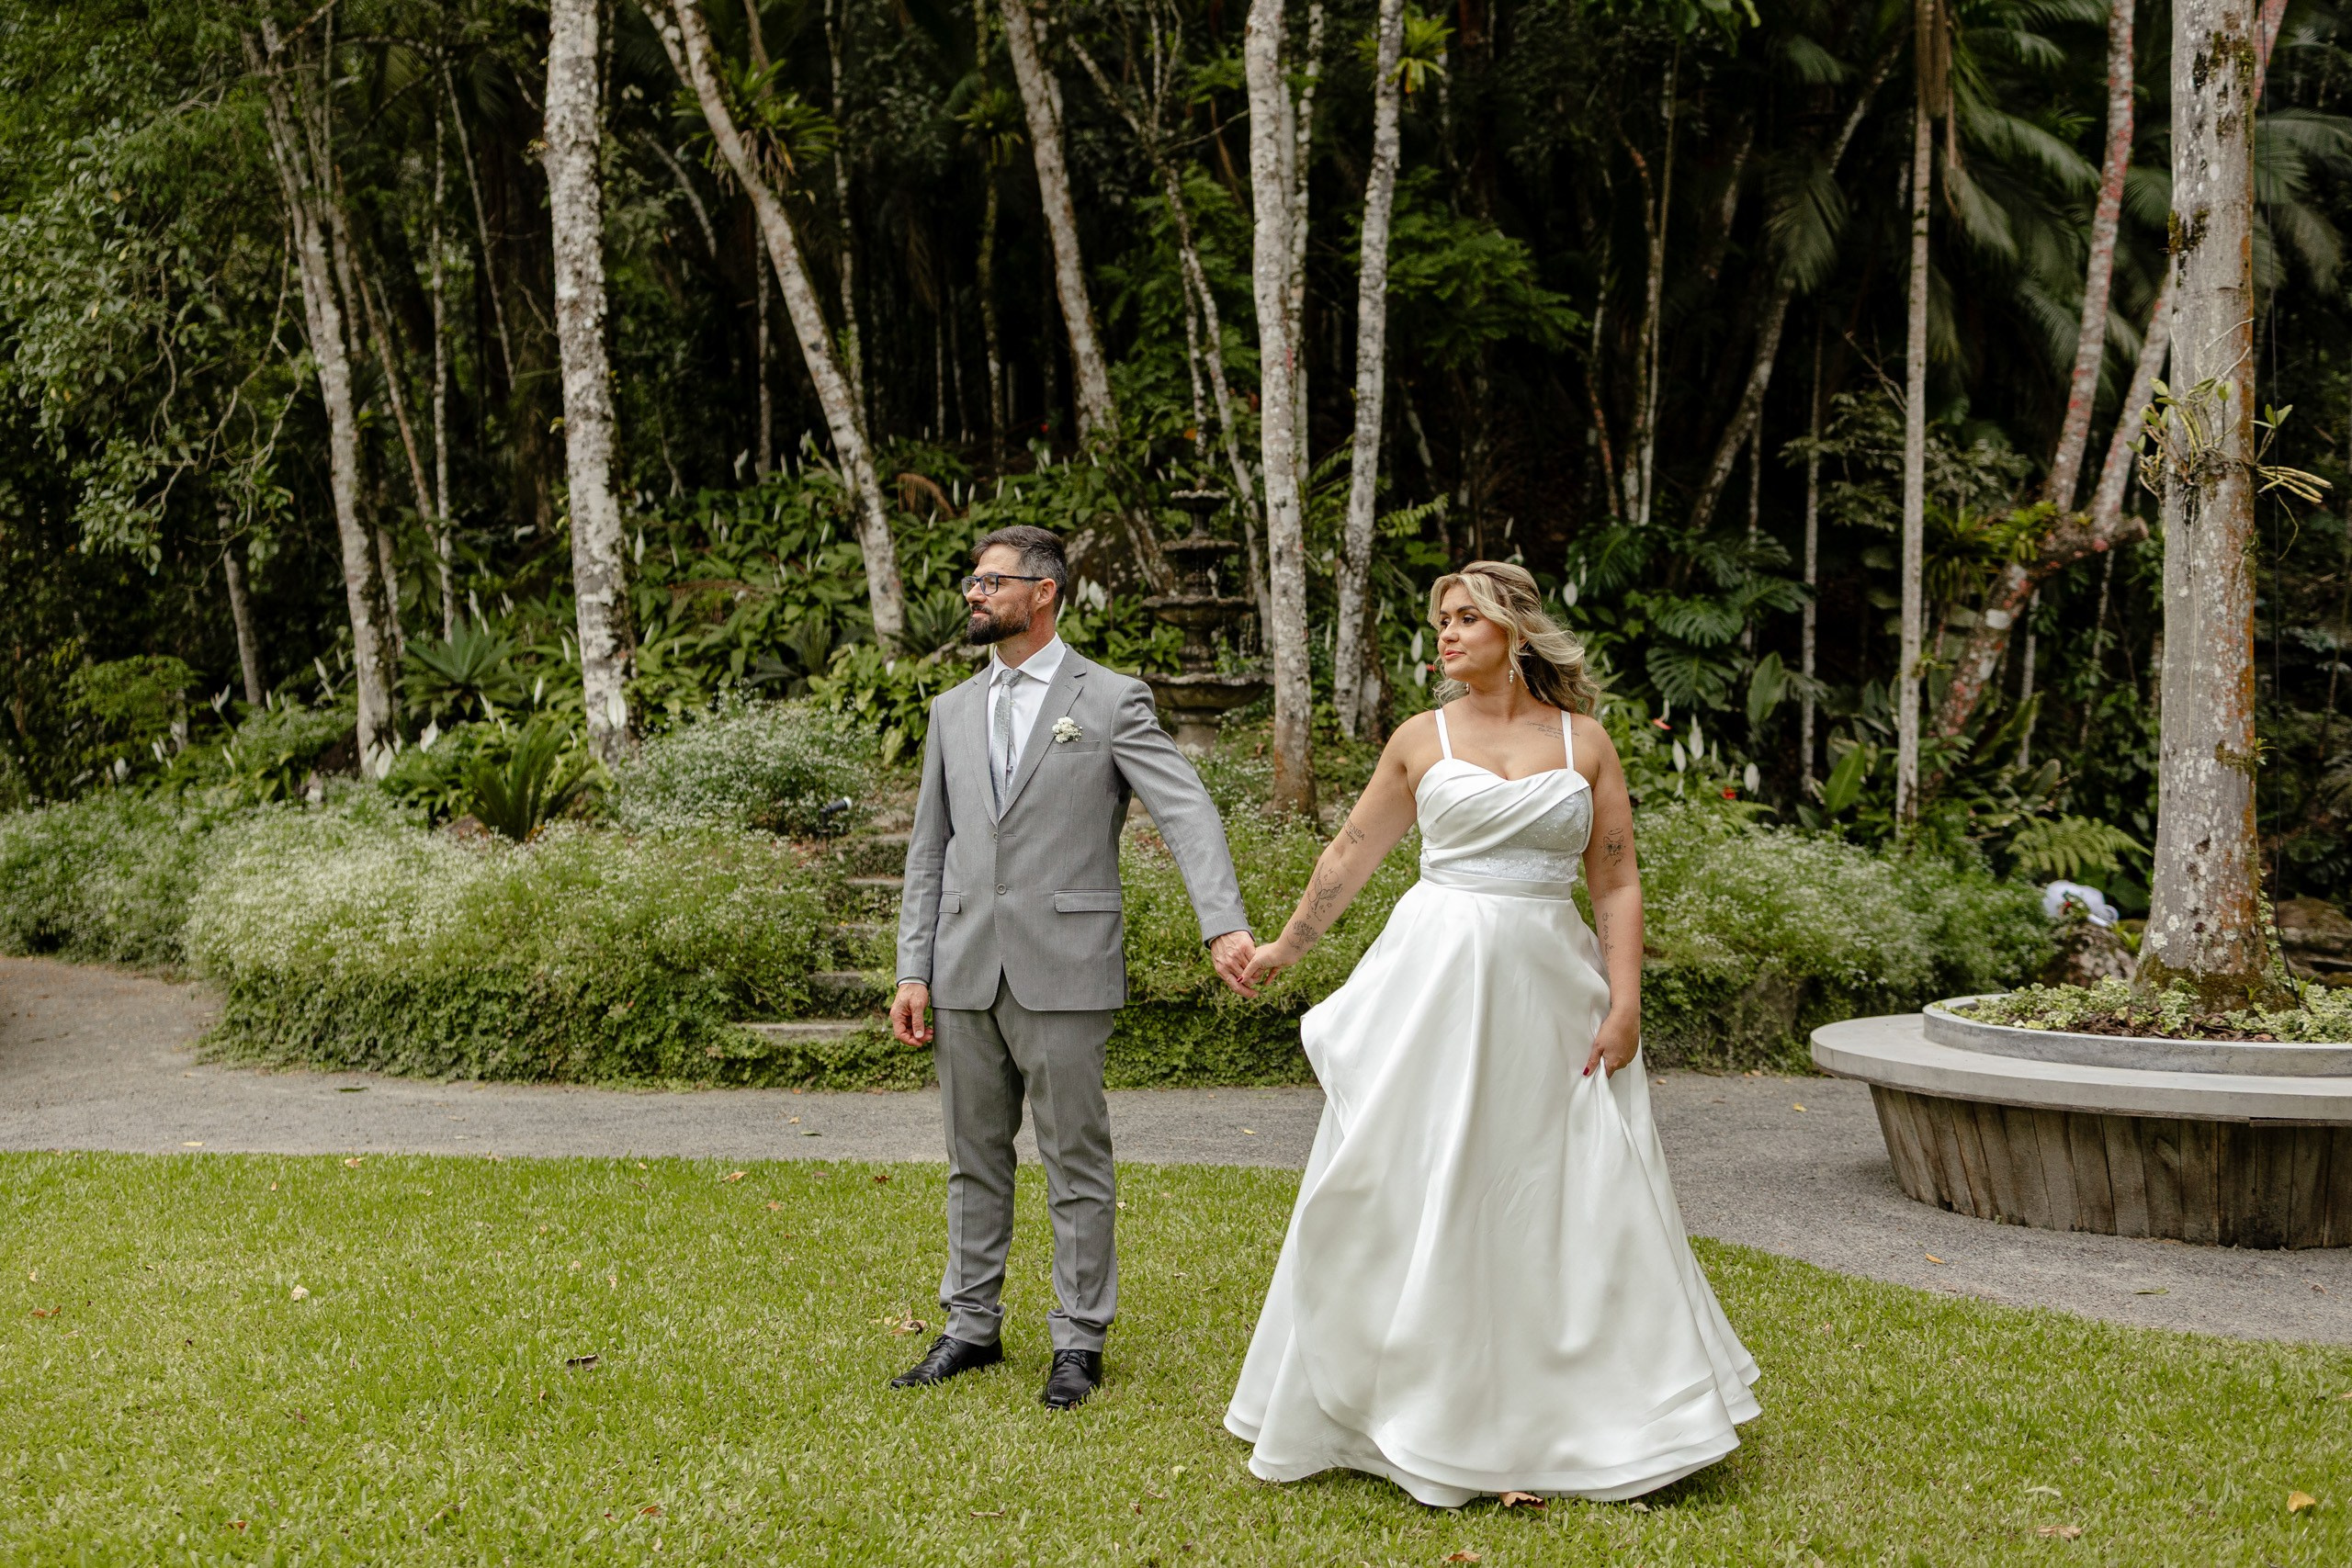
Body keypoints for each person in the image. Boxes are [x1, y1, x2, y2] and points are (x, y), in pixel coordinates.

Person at [1224, 560, 1759, 1504]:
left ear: (1514, 630)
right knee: (1417, 1177)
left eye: (1465, 619)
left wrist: (1625, 1000)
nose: (1446, 635)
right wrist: (1285, 948)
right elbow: (1350, 854)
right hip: (1433, 984)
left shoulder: (1583, 742)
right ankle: (1403, 1403)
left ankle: (1584, 1416)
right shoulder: (1416, 739)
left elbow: (1616, 880)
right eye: (1440, 621)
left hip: (1551, 989)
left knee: (1563, 1186)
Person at [889, 525, 1258, 1410]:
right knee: (971, 1157)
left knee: (1073, 1161)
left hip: (1065, 966)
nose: (974, 593)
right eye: (972, 580)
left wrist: (1222, 925)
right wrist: (913, 967)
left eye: (992, 581)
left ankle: (1078, 1338)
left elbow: (1187, 813)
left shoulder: (1112, 699)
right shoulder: (950, 711)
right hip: (964, 963)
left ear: (1044, 592)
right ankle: (971, 1325)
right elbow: (928, 849)